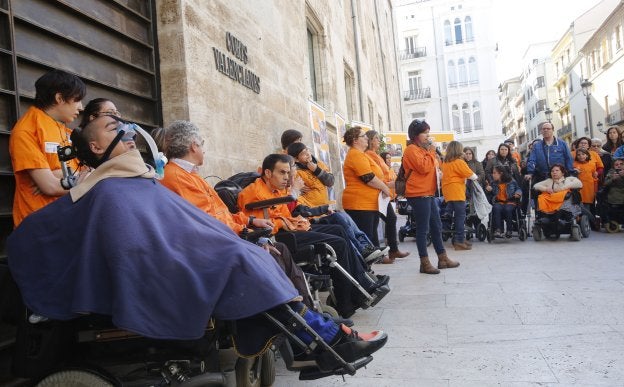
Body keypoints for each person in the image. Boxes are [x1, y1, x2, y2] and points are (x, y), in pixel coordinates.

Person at [7, 114, 387, 366]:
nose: (124, 130)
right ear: (94, 147)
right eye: (111, 128)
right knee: (243, 260)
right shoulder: (108, 191)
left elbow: (181, 222)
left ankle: (320, 339)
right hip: (161, 265)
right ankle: (323, 340)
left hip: (199, 246)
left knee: (250, 256)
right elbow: (137, 243)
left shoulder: (134, 183)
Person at [154, 121, 317, 310]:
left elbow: (222, 214)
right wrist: (248, 234)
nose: (204, 150)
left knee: (278, 249)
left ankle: (307, 314)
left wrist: (249, 221)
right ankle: (299, 316)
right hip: (215, 246)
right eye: (202, 144)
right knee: (273, 252)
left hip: (227, 235)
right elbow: (210, 222)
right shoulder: (178, 177)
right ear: (193, 146)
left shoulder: (190, 175)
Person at [237, 153, 390, 318]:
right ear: (268, 173)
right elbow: (262, 224)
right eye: (282, 173)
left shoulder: (275, 191)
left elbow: (287, 213)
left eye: (288, 173)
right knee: (337, 243)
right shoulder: (253, 192)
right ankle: (346, 303)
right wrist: (289, 220)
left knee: (338, 229)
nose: (287, 177)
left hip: (291, 228)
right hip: (279, 237)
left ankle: (362, 281)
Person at [9, 69, 86, 227]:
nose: (81, 107)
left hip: (66, 220)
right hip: (38, 225)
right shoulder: (27, 130)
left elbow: (86, 171)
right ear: (59, 98)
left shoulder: (66, 131)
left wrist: (58, 175)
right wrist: (85, 180)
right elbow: (50, 186)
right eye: (77, 100)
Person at [287, 142, 388, 263]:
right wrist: (295, 188)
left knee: (344, 216)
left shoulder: (317, 163)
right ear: (296, 159)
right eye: (303, 154)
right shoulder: (296, 174)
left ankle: (367, 247)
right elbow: (295, 199)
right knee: (340, 220)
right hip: (313, 213)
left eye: (307, 150)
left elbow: (330, 181)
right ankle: (361, 251)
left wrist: (316, 170)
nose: (308, 154)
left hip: (323, 209)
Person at [402, 119, 459, 274]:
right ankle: (424, 263)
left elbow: (434, 167)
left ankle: (443, 258)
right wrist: (432, 151)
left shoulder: (425, 150)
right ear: (415, 135)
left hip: (428, 193)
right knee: (422, 229)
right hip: (418, 194)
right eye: (425, 133)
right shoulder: (411, 150)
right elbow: (423, 168)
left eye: (428, 132)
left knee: (437, 225)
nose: (428, 136)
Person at [341, 127, 396, 263]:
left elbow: (374, 177)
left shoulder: (362, 154)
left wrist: (387, 185)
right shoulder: (355, 154)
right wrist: (385, 188)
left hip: (369, 203)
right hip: (359, 203)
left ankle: (371, 270)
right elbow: (368, 177)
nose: (366, 138)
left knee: (370, 237)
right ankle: (366, 272)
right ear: (355, 140)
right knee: (366, 239)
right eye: (363, 136)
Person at [365, 130, 410, 260]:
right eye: (377, 138)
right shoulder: (369, 155)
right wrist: (386, 185)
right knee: (376, 223)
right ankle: (379, 255)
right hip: (378, 193)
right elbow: (375, 175)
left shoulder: (376, 155)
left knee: (390, 219)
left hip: (384, 193)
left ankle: (393, 250)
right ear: (370, 140)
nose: (379, 141)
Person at [441, 141, 478, 250]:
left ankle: (459, 239)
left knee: (456, 216)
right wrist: (476, 177)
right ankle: (459, 241)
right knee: (460, 217)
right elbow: (471, 175)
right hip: (457, 191)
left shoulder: (445, 162)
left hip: (448, 191)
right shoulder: (459, 162)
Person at [485, 165, 521, 238]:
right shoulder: (493, 183)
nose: (493, 175)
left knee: (507, 209)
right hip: (499, 202)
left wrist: (518, 193)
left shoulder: (511, 181)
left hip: (510, 201)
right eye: (493, 173)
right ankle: (498, 230)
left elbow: (518, 188)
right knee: (496, 208)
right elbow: (489, 194)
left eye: (495, 173)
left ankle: (509, 230)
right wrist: (488, 189)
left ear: (501, 173)